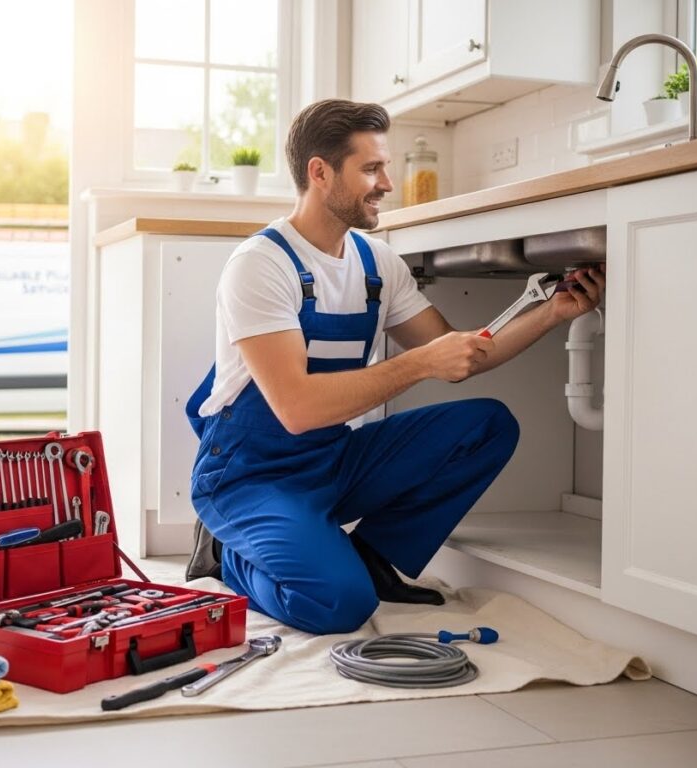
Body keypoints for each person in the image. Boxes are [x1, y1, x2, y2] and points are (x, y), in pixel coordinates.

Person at [184, 99, 606, 635]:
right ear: (320, 172)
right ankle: (233, 557)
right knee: (338, 605)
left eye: (386, 166)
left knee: (486, 425)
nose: (387, 183)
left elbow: (462, 355)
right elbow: (296, 408)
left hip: (330, 460)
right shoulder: (261, 265)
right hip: (251, 475)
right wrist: (420, 364)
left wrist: (553, 313)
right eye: (371, 168)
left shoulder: (376, 263)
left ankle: (374, 558)